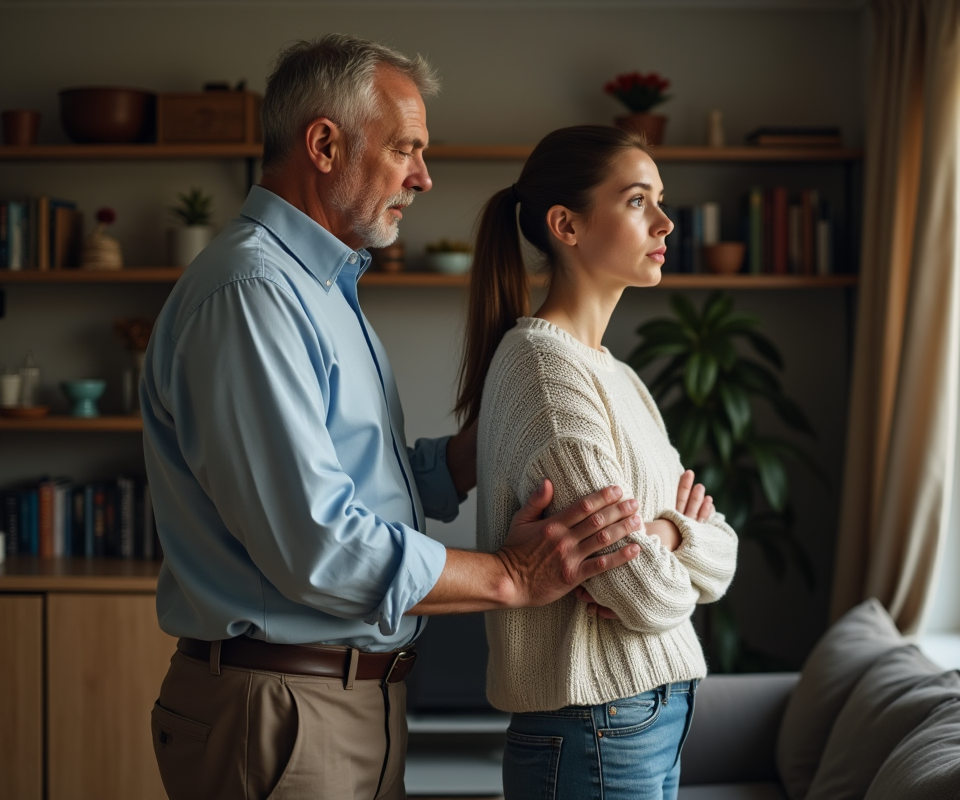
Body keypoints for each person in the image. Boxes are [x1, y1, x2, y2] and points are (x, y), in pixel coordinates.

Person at [141, 36, 644, 800]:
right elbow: (316, 542)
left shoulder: (323, 291)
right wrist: (510, 576)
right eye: (405, 148)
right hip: (282, 709)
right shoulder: (251, 296)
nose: (423, 176)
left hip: (348, 702)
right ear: (323, 143)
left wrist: (478, 453)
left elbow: (366, 485)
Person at [459, 125, 740, 800]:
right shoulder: (547, 375)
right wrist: (674, 542)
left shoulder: (615, 376)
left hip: (644, 716)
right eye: (638, 200)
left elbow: (722, 550)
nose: (666, 221)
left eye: (660, 200)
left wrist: (665, 535)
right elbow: (645, 595)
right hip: (599, 724)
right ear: (567, 225)